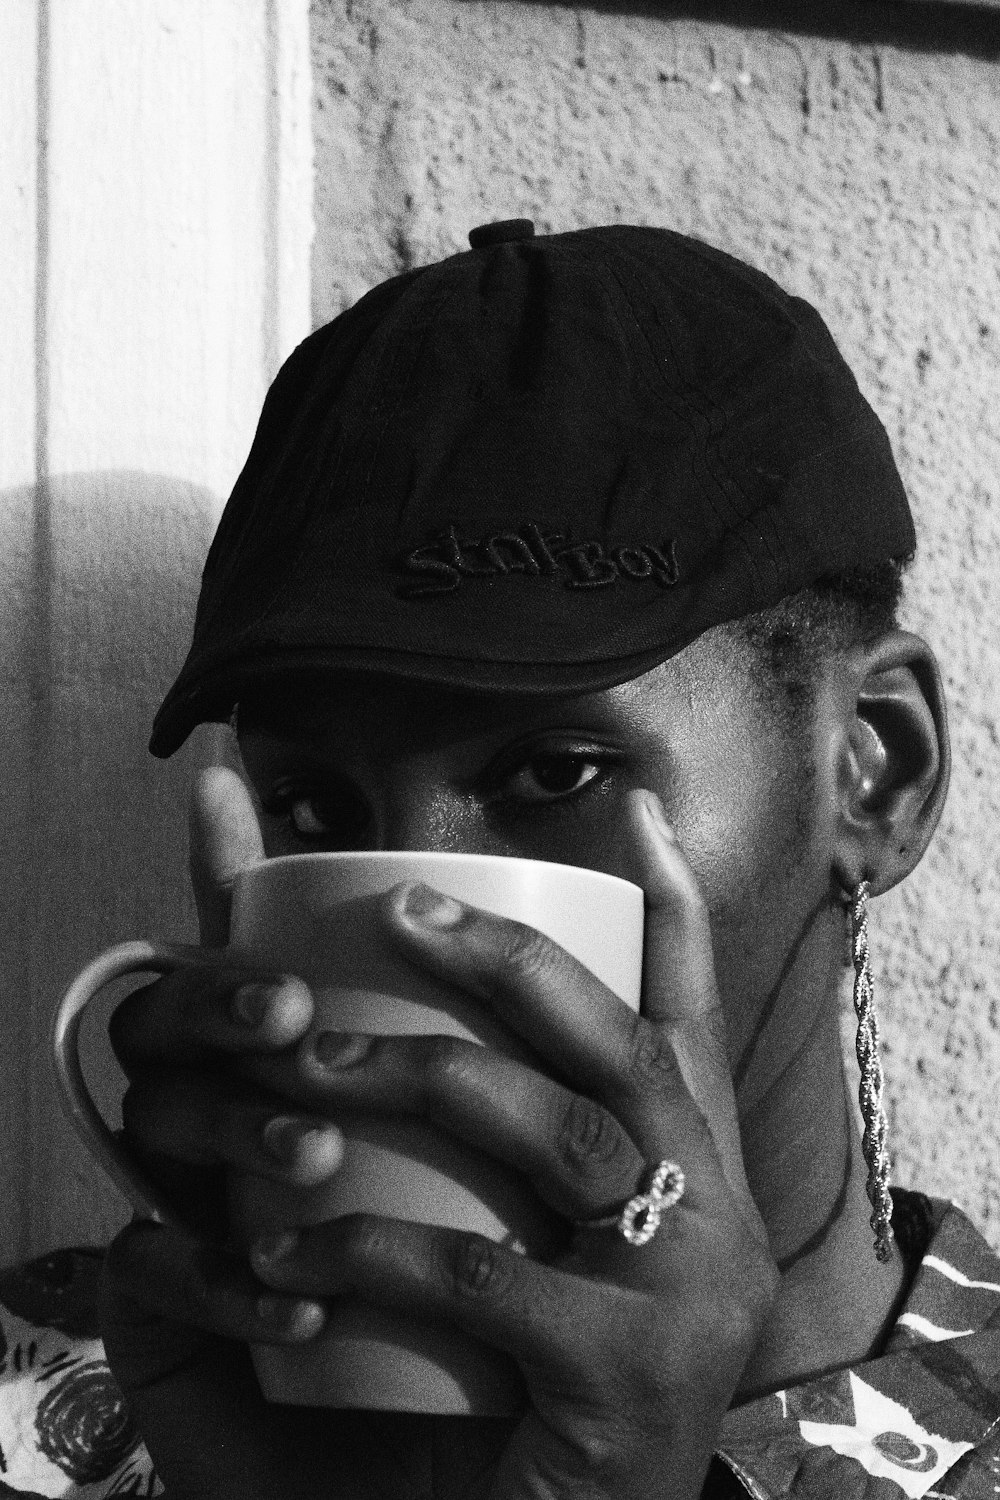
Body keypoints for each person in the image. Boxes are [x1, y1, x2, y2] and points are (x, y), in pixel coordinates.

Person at [6, 220, 999, 1499]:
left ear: (875, 769)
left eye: (554, 774)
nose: (410, 894)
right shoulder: (52, 1414)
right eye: (311, 803)